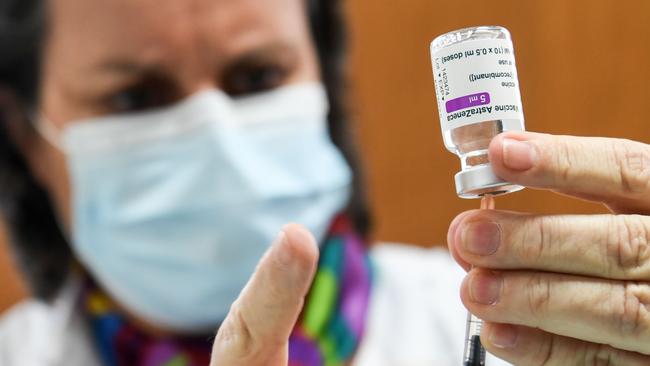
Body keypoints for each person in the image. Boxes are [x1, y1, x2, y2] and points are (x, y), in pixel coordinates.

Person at [0, 0, 649, 365]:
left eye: (256, 78)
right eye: (135, 98)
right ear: (25, 132)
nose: (218, 140)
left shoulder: (535, 337)